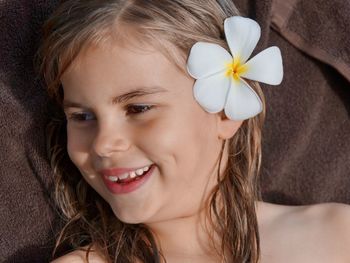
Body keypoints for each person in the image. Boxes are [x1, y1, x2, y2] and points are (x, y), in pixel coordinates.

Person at [37, 0, 350, 262]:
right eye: (82, 116)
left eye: (138, 109)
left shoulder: (335, 237)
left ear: (227, 112)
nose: (103, 144)